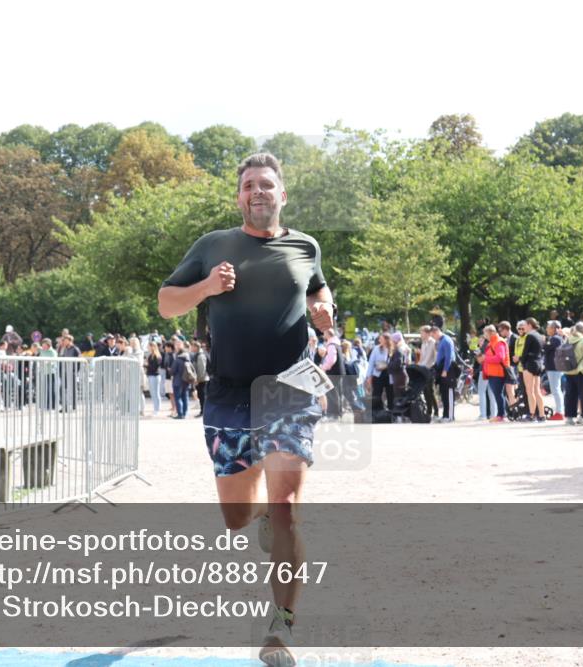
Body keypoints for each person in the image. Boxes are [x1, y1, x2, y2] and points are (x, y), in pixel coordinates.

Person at [157, 152, 334, 666]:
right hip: (228, 395)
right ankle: (254, 516)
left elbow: (319, 289)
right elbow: (167, 301)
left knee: (287, 511)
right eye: (249, 185)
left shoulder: (305, 246)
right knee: (237, 518)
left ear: (283, 195)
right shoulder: (213, 246)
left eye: (267, 184)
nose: (258, 191)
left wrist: (326, 312)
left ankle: (281, 631)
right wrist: (207, 287)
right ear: (240, 196)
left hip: (289, 391)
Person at [478, 325, 509, 422]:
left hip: (498, 372)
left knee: (498, 394)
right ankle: (500, 414)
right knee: (497, 394)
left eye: (485, 333)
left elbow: (500, 357)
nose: (484, 336)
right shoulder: (491, 343)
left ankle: (501, 415)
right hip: (492, 372)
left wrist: (485, 358)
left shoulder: (499, 342)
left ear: (491, 333)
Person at [520, 318, 546, 422]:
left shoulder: (529, 336)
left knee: (529, 391)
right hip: (538, 363)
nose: (523, 327)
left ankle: (531, 414)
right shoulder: (539, 335)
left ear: (530, 325)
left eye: (525, 325)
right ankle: (542, 414)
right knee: (537, 391)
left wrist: (522, 361)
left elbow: (525, 352)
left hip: (530, 364)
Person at [543, 320, 566, 421]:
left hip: (554, 368)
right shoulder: (555, 338)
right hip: (554, 367)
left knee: (556, 390)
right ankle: (560, 411)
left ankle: (560, 412)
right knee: (556, 389)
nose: (547, 329)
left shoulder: (555, 339)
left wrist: (544, 343)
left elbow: (546, 347)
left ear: (554, 328)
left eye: (548, 327)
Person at [432, 327, 455, 423]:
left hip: (448, 370)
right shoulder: (441, 341)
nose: (433, 337)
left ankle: (450, 416)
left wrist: (445, 370)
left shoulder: (446, 340)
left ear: (437, 332)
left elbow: (449, 357)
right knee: (444, 393)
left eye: (433, 335)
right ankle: (445, 414)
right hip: (442, 368)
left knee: (448, 392)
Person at [417, 326, 438, 418]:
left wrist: (433, 367)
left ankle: (436, 410)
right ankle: (429, 411)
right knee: (425, 391)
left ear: (427, 333)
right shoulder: (423, 343)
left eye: (422, 333)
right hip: (423, 370)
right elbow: (422, 358)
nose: (421, 335)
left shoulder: (433, 342)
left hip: (430, 369)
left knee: (431, 391)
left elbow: (435, 357)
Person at [170, 341, 192, 419]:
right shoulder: (188, 359)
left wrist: (170, 370)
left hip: (177, 381)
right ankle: (185, 413)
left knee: (178, 397)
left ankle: (180, 414)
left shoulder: (177, 360)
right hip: (186, 381)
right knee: (185, 397)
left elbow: (172, 371)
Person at [145, 341, 163, 416]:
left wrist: (146, 365)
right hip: (151, 375)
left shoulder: (157, 356)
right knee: (153, 393)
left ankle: (157, 409)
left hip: (155, 376)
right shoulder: (150, 355)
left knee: (156, 393)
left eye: (149, 346)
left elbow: (154, 367)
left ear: (153, 347)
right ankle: (156, 408)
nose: (148, 347)